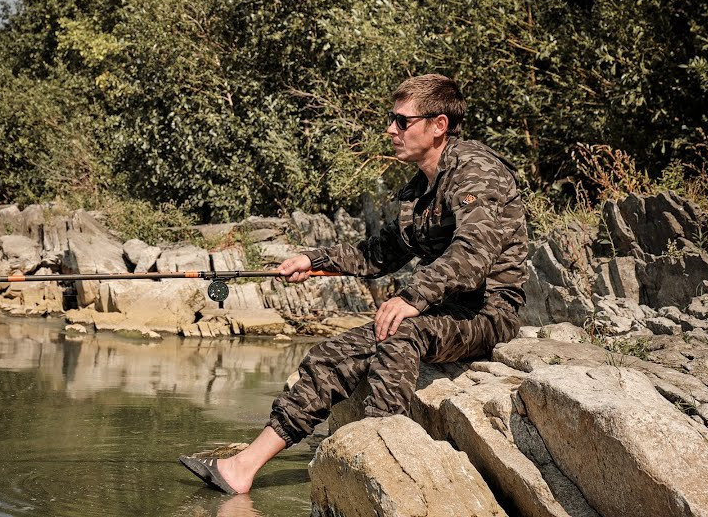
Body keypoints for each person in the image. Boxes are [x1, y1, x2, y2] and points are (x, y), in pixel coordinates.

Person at [179, 73, 529, 495]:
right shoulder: (420, 188)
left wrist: (411, 298)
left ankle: (383, 462)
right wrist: (313, 260)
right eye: (391, 119)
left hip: (488, 312)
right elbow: (380, 253)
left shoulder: (476, 171)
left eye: (402, 121)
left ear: (438, 125)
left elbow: (473, 256)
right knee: (329, 355)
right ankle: (242, 468)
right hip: (445, 311)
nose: (391, 130)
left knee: (399, 333)